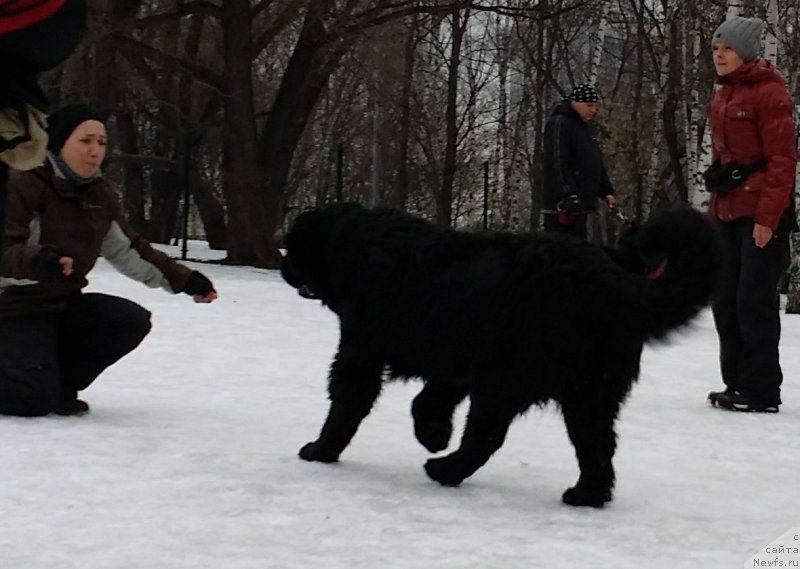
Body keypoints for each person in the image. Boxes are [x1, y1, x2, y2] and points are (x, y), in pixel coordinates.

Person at [0, 103, 218, 417]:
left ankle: (58, 384)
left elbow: (131, 250)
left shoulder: (98, 196)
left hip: (60, 306)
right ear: (59, 142)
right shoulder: (24, 181)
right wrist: (38, 262)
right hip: (12, 308)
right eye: (85, 141)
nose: (95, 151)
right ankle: (34, 382)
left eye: (101, 143)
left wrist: (185, 279)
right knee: (29, 399)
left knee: (126, 320)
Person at [705, 16, 797, 413]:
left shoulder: (769, 94)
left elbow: (782, 161)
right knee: (725, 299)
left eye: (726, 49)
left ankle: (760, 390)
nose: (719, 55)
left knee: (753, 302)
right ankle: (736, 382)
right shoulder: (723, 95)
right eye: (715, 49)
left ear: (745, 52)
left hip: (760, 213)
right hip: (726, 211)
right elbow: (724, 154)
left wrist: (767, 219)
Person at [541, 83, 616, 240]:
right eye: (589, 105)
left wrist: (605, 191)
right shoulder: (560, 124)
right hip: (562, 206)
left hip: (581, 204)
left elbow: (595, 162)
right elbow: (557, 161)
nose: (593, 110)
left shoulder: (586, 128)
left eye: (595, 105)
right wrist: (568, 192)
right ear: (575, 102)